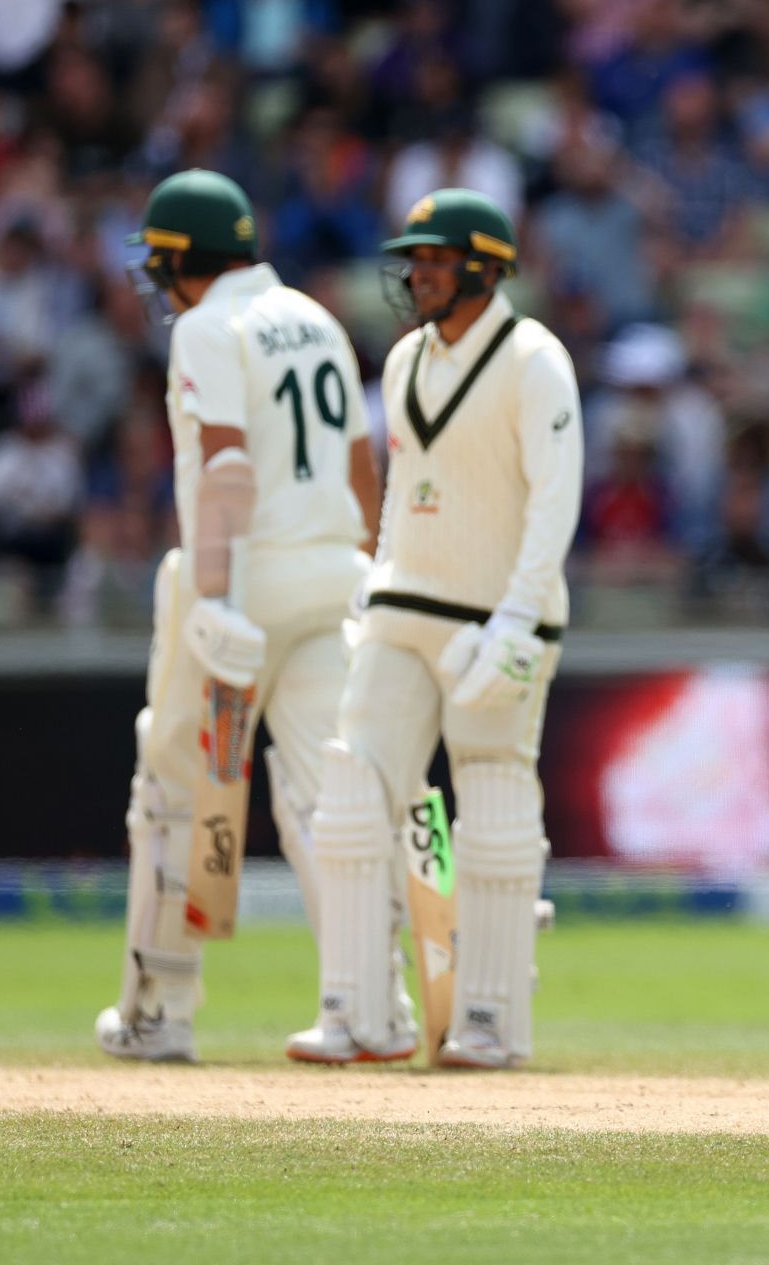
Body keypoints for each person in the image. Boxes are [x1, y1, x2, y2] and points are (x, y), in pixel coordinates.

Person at [287, 189, 582, 1068]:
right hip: (401, 609)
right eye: (412, 259)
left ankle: (490, 1018)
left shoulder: (535, 359)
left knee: (492, 805)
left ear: (484, 269)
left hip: (497, 620)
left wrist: (521, 620)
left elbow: (553, 500)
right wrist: (373, 591)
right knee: (347, 798)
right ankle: (362, 1012)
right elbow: (407, 487)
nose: (415, 273)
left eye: (434, 259)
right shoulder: (406, 356)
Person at [96, 169, 379, 1062]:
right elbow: (362, 463)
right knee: (328, 798)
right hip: (334, 570)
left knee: (172, 792)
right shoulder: (318, 318)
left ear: (183, 259)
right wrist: (373, 569)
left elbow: (225, 469)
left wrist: (215, 598)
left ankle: (158, 1011)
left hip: (242, 578)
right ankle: (367, 1005)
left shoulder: (207, 329)